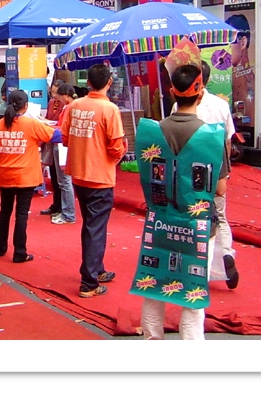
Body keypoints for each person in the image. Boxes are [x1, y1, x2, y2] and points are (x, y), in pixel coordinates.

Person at [137, 63, 229, 340]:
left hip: (161, 221)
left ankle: (152, 343)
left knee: (154, 287)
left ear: (172, 92)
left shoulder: (151, 131)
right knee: (193, 291)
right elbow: (220, 189)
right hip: (197, 225)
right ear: (200, 94)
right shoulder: (212, 135)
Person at [59, 63, 127, 298]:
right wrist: (121, 151)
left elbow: (64, 138)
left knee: (91, 225)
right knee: (95, 227)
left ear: (88, 82)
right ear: (109, 82)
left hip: (79, 174)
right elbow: (116, 147)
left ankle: (96, 269)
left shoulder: (75, 105)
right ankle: (89, 282)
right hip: (100, 176)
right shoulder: (110, 109)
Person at [172, 61, 239, 289]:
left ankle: (191, 267)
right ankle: (226, 253)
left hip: (186, 177)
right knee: (219, 216)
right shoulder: (221, 105)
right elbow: (227, 141)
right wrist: (225, 171)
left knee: (189, 220)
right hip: (214, 170)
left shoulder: (176, 109)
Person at [0, 89, 55, 262]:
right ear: (26, 106)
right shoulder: (31, 124)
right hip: (26, 176)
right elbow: (56, 136)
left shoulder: (1, 124)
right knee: (21, 215)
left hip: (6, 175)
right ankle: (19, 252)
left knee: (5, 211)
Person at [48, 83, 77, 225]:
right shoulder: (69, 107)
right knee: (62, 181)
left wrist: (50, 127)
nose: (56, 98)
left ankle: (68, 213)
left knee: (65, 181)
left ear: (65, 96)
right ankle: (65, 210)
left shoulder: (70, 108)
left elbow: (64, 128)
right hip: (61, 143)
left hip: (63, 145)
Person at [39, 79, 64, 217]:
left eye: (56, 92)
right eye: (52, 92)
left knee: (62, 179)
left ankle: (63, 207)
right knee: (54, 175)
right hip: (51, 140)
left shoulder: (66, 105)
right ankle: (56, 204)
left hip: (61, 142)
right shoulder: (51, 103)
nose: (54, 95)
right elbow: (48, 117)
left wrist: (50, 123)